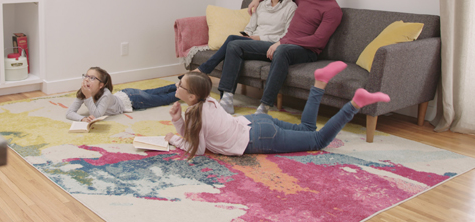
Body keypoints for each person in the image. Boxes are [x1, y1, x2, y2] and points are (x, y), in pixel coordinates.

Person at [165, 64, 390, 159]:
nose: (177, 86)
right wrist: (178, 120)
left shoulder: (196, 115)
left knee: (318, 141)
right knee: (307, 129)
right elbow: (196, 132)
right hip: (256, 121)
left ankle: (354, 104)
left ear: (192, 97)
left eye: (180, 84)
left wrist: (175, 138)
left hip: (258, 137)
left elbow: (199, 148)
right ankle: (319, 83)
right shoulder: (208, 102)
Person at [218, 0, 343, 115]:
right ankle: (227, 98)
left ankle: (264, 106)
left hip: (306, 51)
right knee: (235, 45)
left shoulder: (333, 9)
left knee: (282, 50)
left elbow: (318, 40)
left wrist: (283, 42)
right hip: (283, 44)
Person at [194, 0, 297, 79]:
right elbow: (250, 27)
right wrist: (247, 34)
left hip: (271, 45)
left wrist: (259, 38)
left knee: (232, 39)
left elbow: (287, 36)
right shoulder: (262, 4)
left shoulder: (291, 7)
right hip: (252, 42)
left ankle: (204, 69)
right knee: (233, 42)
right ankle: (224, 92)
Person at [66, 67, 181, 122]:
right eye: (86, 76)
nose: (87, 80)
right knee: (153, 92)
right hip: (126, 93)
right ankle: (176, 85)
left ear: (101, 85)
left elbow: (97, 115)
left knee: (160, 99)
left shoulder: (105, 94)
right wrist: (82, 119)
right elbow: (69, 113)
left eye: (92, 78)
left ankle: (182, 90)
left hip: (133, 100)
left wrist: (88, 97)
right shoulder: (83, 92)